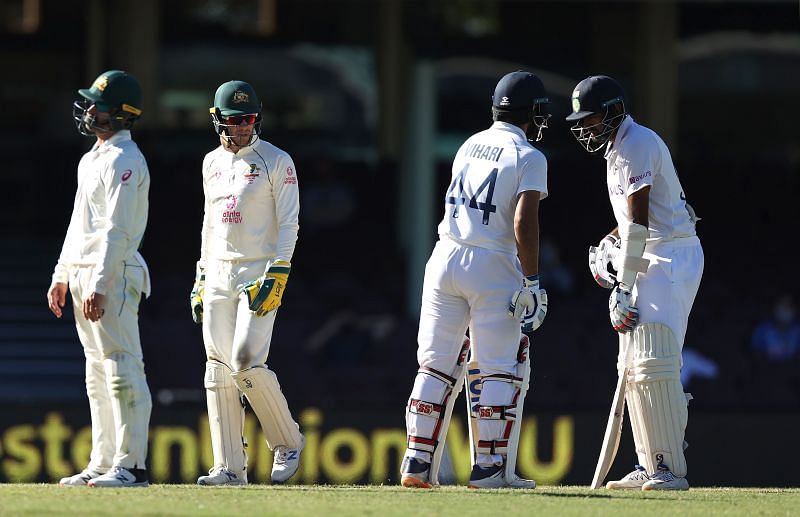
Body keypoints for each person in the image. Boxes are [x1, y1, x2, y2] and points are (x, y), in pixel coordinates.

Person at [400, 71, 550, 489]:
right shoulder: (529, 155)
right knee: (499, 368)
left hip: (445, 255)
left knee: (434, 364)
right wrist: (533, 281)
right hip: (492, 262)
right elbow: (524, 220)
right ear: (530, 112)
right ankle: (489, 469)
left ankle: (416, 462)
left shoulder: (469, 143)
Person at [567, 75, 703, 490]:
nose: (585, 129)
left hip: (671, 254)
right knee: (634, 362)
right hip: (653, 252)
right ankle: (649, 463)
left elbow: (641, 225)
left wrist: (622, 286)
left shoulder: (637, 142)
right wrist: (610, 241)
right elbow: (631, 221)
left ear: (612, 112)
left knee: (655, 358)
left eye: (590, 120)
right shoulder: (618, 147)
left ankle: (669, 469)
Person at [191, 80, 304, 486]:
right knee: (217, 367)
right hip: (218, 269)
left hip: (259, 271)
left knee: (244, 360)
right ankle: (229, 467)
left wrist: (279, 271)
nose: (242, 127)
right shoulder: (211, 163)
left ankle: (287, 440)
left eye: (249, 119)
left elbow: (290, 222)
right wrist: (201, 275)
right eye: (234, 120)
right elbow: (208, 223)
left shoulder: (277, 160)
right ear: (217, 120)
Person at [47, 70, 152, 488]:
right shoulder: (92, 158)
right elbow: (79, 225)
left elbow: (117, 231)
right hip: (85, 273)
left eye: (98, 105)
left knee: (123, 366)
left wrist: (101, 284)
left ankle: (132, 466)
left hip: (114, 273)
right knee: (97, 372)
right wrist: (62, 274)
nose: (89, 110)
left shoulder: (126, 160)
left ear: (120, 115)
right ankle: (103, 460)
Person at [751, 294, 800, 362]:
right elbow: (754, 352)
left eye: (789, 306)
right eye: (782, 305)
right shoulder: (763, 329)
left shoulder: (797, 331)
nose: (785, 309)